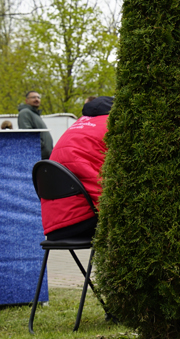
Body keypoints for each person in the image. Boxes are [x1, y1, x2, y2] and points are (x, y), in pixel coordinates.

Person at [40, 96, 114, 241]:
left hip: (53, 223)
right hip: (80, 221)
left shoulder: (76, 126)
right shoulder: (111, 126)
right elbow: (98, 185)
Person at [17, 90, 53, 159]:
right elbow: (27, 135)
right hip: (37, 157)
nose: (36, 99)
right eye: (33, 97)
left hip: (44, 157)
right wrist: (42, 147)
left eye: (38, 97)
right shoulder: (25, 113)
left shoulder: (35, 114)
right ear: (26, 101)